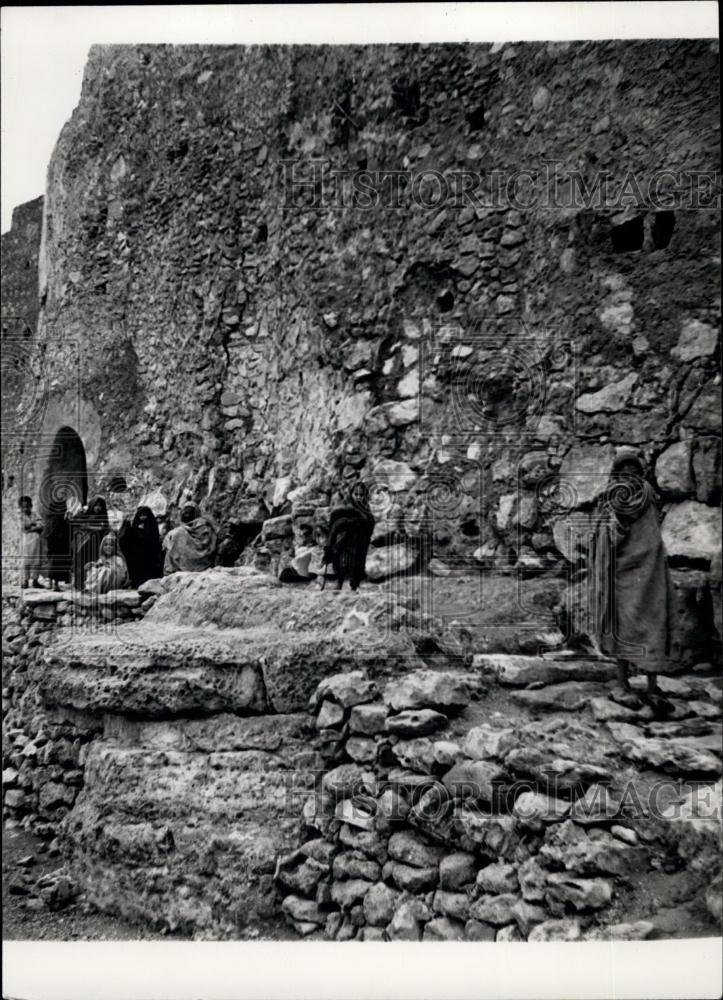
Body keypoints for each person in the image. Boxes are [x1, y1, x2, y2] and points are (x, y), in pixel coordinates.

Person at [582, 448, 676, 714]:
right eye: (625, 471)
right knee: (631, 626)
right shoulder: (627, 497)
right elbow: (610, 534)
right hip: (633, 573)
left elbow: (608, 536)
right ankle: (629, 686)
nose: (630, 476)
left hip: (643, 572)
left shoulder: (631, 497)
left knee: (643, 627)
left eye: (633, 471)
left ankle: (646, 687)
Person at [322, 484, 375, 591]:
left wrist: (360, 523)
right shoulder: (343, 506)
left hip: (359, 540)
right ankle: (339, 582)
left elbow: (370, 523)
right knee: (342, 562)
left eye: (361, 495)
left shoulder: (366, 509)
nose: (359, 497)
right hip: (344, 540)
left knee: (357, 563)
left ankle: (354, 585)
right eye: (356, 494)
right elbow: (335, 522)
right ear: (351, 494)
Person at [163, 502, 217, 574]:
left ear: (195, 513)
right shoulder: (184, 527)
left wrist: (181, 535)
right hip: (187, 557)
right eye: (185, 511)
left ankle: (175, 568)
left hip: (200, 560)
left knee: (176, 534)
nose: (186, 513)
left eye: (189, 511)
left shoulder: (203, 524)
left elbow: (206, 544)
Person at [69, 496, 110, 590]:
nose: (98, 508)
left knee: (92, 564)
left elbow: (103, 528)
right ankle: (79, 585)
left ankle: (91, 586)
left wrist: (88, 526)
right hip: (82, 543)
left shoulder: (103, 516)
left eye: (100, 506)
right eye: (96, 505)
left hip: (95, 544)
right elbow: (73, 522)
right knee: (80, 562)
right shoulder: (84, 514)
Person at [118, 505, 164, 587]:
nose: (142, 517)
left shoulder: (152, 524)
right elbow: (129, 537)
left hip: (149, 552)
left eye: (144, 515)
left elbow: (154, 537)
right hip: (138, 553)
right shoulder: (136, 524)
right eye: (141, 515)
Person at [44, 495, 72, 588]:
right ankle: (54, 584)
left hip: (57, 545)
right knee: (56, 564)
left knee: (54, 564)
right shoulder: (56, 518)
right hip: (57, 545)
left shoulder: (50, 517)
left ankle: (52, 583)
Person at [19, 496, 43, 588]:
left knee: (37, 560)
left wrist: (31, 527)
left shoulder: (35, 514)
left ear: (31, 506)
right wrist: (33, 525)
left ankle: (35, 580)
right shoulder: (20, 516)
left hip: (36, 540)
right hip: (26, 541)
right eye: (23, 507)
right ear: (21, 507)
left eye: (28, 506)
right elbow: (23, 528)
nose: (26, 508)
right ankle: (25, 581)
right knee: (26, 561)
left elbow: (41, 525)